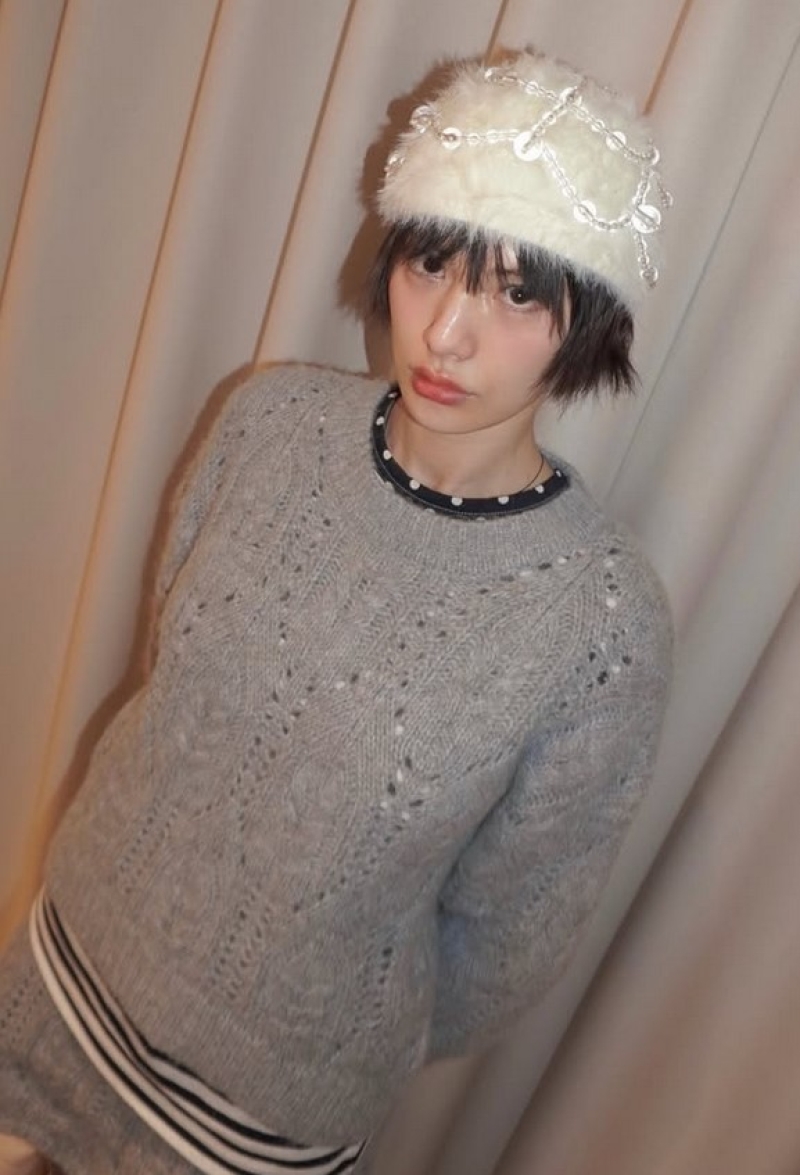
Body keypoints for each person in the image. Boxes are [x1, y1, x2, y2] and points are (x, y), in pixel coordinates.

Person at [0, 47, 672, 1175]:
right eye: (431, 264)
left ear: (588, 321)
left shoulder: (598, 626)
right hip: (66, 965)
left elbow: (505, 943)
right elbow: (174, 677)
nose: (445, 333)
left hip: (255, 1116)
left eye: (517, 292)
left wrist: (307, 1022)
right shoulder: (267, 423)